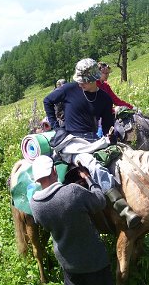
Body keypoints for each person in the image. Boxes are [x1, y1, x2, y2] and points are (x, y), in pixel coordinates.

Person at [43, 58, 142, 229]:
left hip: (93, 140)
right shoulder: (68, 89)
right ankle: (122, 208)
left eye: (84, 81)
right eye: (79, 80)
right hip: (71, 140)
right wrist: (56, 126)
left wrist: (110, 136)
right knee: (93, 165)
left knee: (123, 156)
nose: (80, 84)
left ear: (94, 79)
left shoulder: (103, 98)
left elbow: (107, 125)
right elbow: (47, 101)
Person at [29, 155, 114, 285]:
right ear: (54, 171)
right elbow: (100, 201)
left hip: (68, 265)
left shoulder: (34, 205)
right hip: (94, 262)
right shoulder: (72, 191)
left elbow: (46, 226)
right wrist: (89, 179)